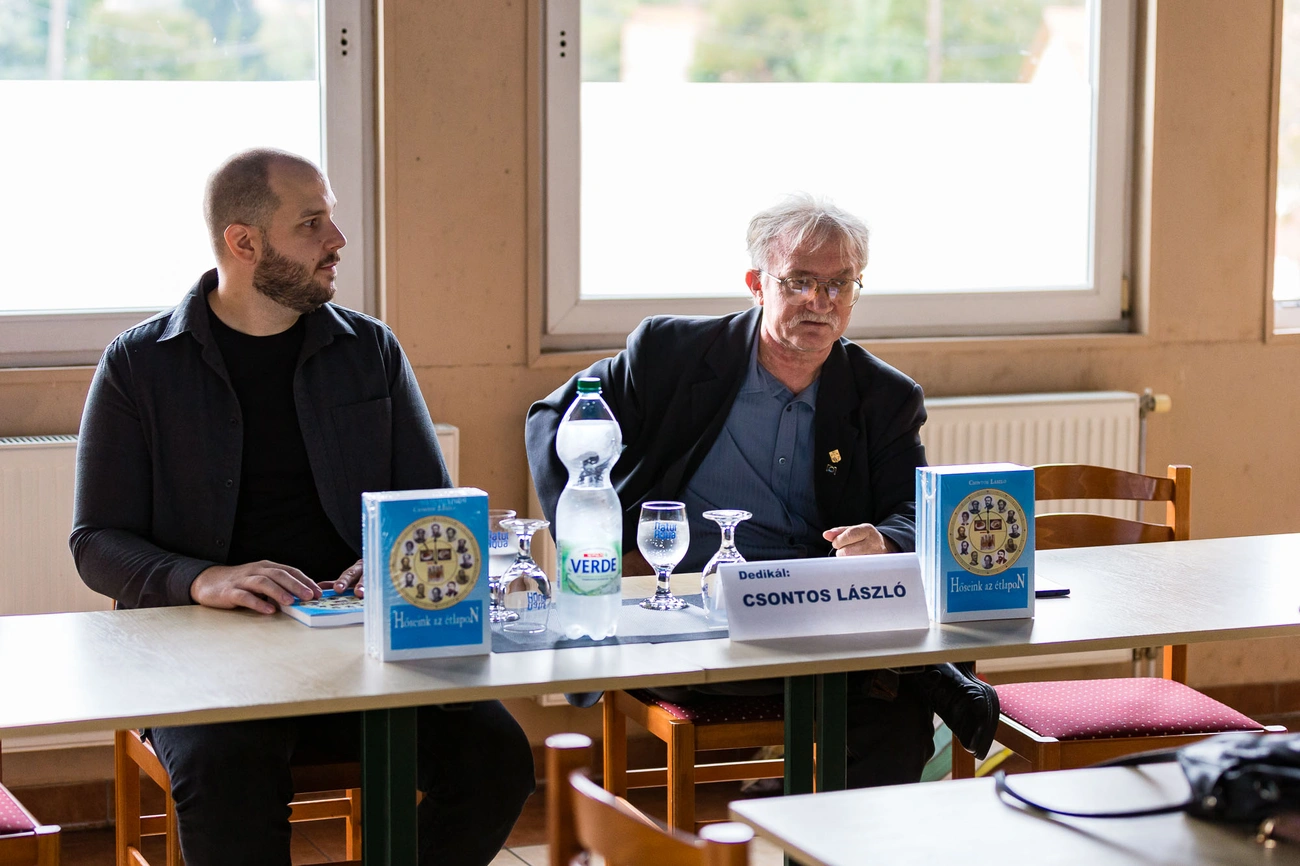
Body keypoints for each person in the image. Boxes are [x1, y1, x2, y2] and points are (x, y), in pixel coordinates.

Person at [70, 148, 533, 866]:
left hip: (363, 650)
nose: (337, 241)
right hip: (206, 657)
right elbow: (96, 541)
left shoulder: (370, 350)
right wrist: (204, 578)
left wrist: (390, 562)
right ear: (244, 242)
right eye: (311, 223)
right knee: (227, 779)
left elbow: (432, 507)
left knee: (496, 758)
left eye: (331, 219)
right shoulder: (139, 364)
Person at [526, 193, 998, 786]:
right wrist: (597, 536)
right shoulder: (672, 353)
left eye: (840, 284)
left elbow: (915, 509)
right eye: (800, 281)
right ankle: (921, 680)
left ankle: (804, 808)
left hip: (812, 608)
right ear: (756, 284)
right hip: (689, 610)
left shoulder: (884, 395)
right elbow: (551, 418)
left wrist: (884, 539)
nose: (820, 301)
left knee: (894, 724)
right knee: (873, 679)